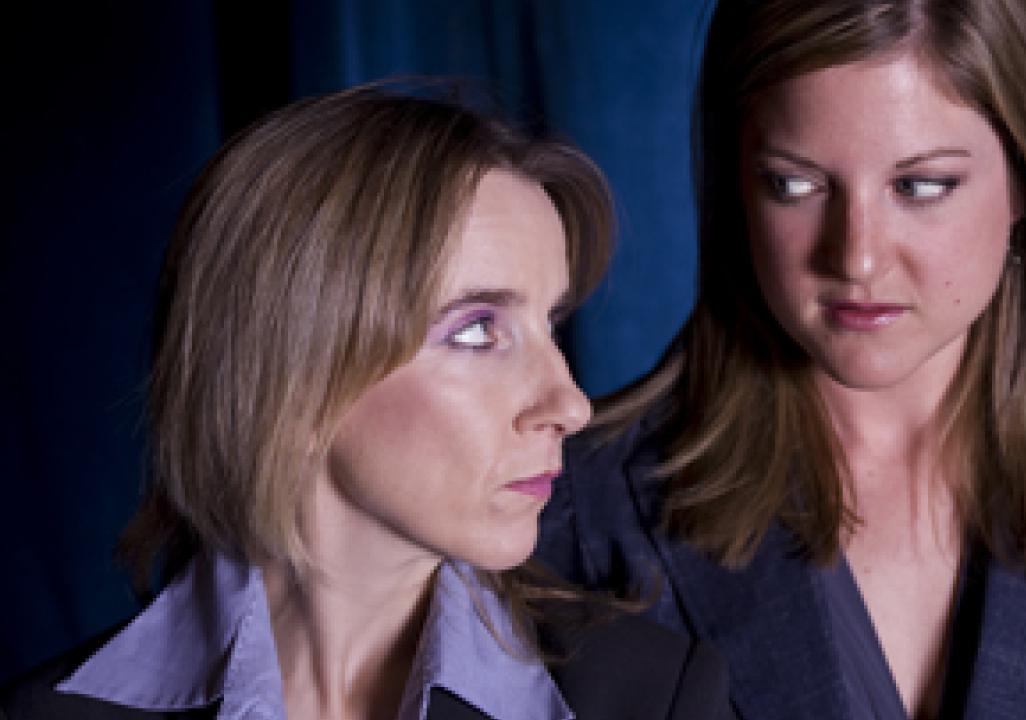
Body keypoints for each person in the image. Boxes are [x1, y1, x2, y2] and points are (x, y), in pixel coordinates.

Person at [535, 1, 1026, 718]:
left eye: (921, 186)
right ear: (737, 184)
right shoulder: (579, 507)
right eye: (795, 184)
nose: (856, 258)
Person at [0, 85, 732, 720]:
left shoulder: (650, 697)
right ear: (291, 371)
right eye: (478, 329)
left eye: (552, 324)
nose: (570, 404)